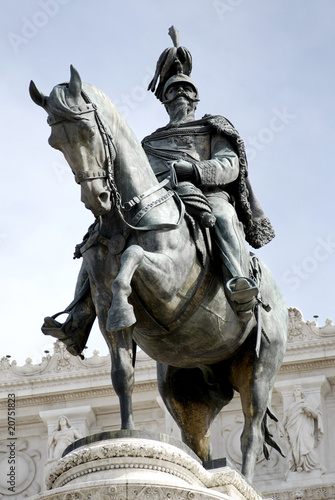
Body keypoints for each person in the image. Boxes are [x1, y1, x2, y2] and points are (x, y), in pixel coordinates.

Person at [143, 29, 275, 321]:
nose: (179, 93)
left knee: (225, 217)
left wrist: (195, 170)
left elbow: (230, 164)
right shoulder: (149, 143)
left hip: (208, 195)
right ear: (164, 101)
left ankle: (239, 281)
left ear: (195, 99)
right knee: (105, 236)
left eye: (186, 90)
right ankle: (80, 314)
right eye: (173, 90)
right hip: (164, 201)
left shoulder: (213, 126)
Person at [283, 386, 323, 472]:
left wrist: (310, 410)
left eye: (298, 390)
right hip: (293, 429)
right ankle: (299, 465)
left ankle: (314, 464)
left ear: (301, 392)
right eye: (295, 390)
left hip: (305, 427)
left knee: (307, 444)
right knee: (295, 447)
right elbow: (285, 420)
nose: (296, 391)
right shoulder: (291, 407)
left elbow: (317, 416)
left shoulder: (306, 403)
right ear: (293, 393)